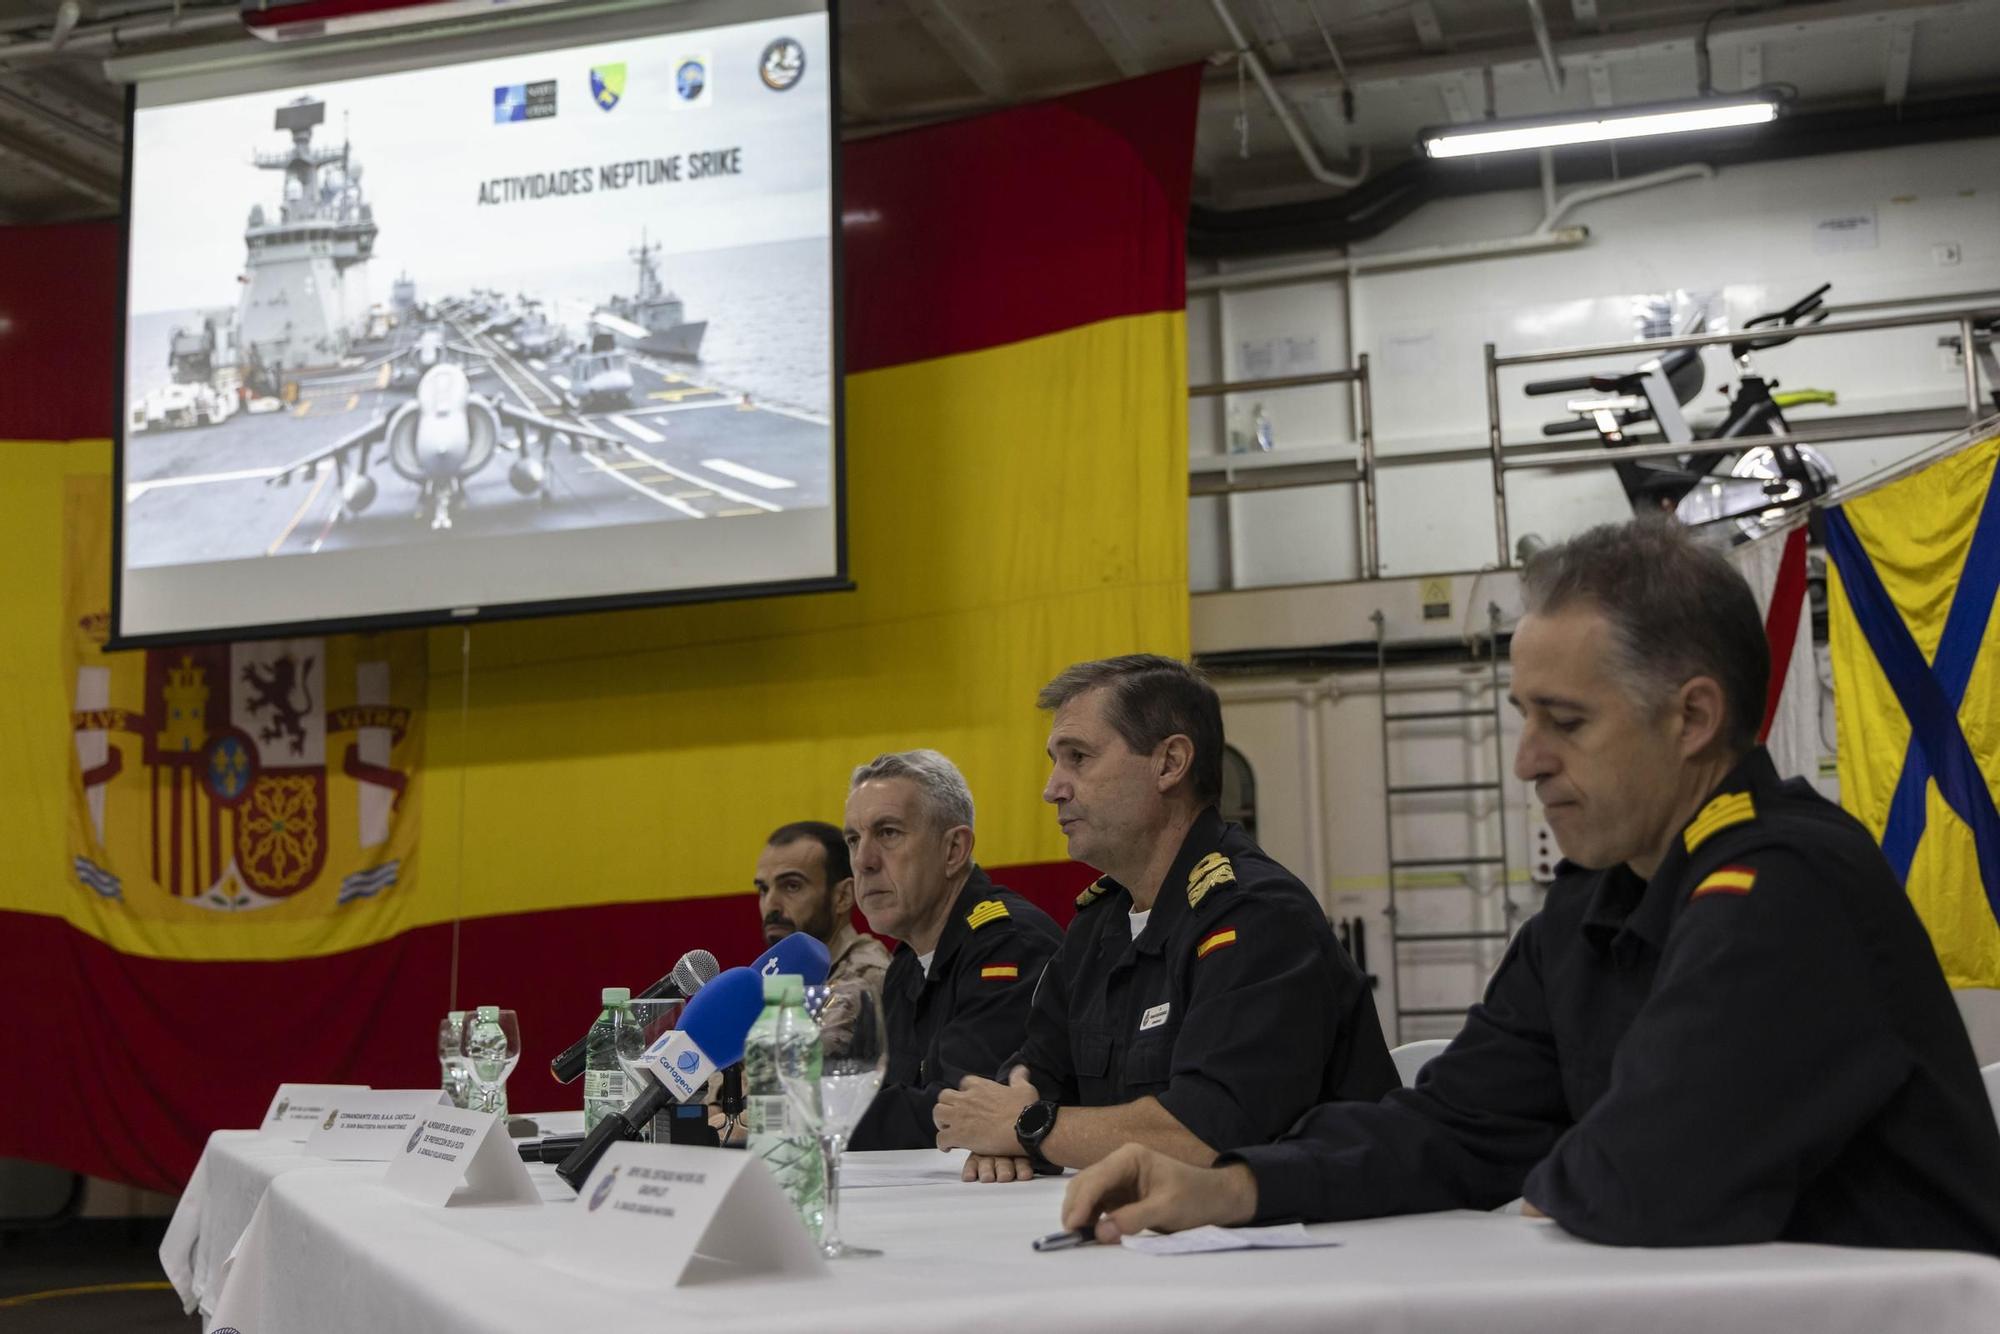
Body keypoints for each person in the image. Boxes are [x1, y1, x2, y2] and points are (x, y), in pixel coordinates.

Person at [1061, 519, 2000, 1256]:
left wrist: (1556, 1169)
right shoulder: (1597, 901)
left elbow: (1638, 1181)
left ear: (1693, 718)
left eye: (1566, 721)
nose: (1526, 762)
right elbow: (1451, 1128)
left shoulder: (1788, 887)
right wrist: (1232, 1186)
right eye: (1523, 717)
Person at [934, 655, 1398, 1184]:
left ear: (1170, 763)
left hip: (1316, 1246)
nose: (1052, 788)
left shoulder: (1255, 915)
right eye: (1054, 760)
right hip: (1163, 1239)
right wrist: (1015, 1123)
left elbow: (1209, 1135)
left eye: (1078, 757)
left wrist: (1025, 1129)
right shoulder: (1098, 924)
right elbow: (1035, 1070)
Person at [844, 750, 1062, 1152]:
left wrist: (802, 1117)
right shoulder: (906, 965)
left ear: (954, 850)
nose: (863, 861)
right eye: (854, 839)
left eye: (888, 833)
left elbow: (956, 1111)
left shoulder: (1011, 945)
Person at [754, 821, 891, 1052]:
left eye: (792, 886)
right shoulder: (780, 975)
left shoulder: (863, 975)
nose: (771, 905)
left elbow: (794, 1076)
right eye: (763, 890)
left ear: (843, 897)